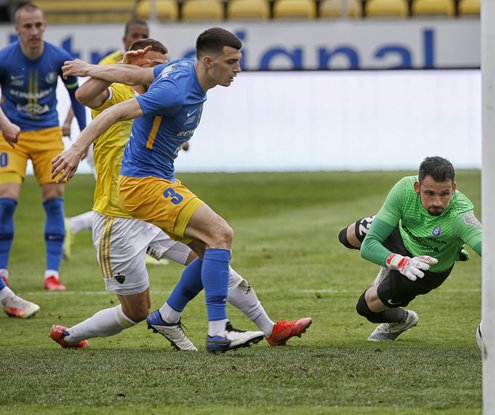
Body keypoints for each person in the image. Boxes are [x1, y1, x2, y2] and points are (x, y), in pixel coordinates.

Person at [52, 27, 305, 353]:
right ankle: (77, 334)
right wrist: (75, 147)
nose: (238, 69)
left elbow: (140, 72)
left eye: (163, 62)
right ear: (210, 61)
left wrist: (115, 69)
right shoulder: (159, 92)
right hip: (121, 209)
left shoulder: (176, 75)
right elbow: (96, 101)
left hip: (155, 191)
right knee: (138, 309)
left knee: (213, 251)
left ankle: (260, 327)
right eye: (232, 62)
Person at [338, 156, 495, 342]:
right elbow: (368, 246)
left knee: (366, 307)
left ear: (453, 189)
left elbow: (492, 251)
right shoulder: (404, 189)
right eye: (429, 193)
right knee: (348, 236)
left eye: (444, 193)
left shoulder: (460, 216)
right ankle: (391, 262)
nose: (437, 202)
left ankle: (402, 320)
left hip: (428, 268)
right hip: (403, 238)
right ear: (417, 187)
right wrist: (401, 261)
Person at [0, 2, 87, 291]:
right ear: (17, 29)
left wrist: (84, 135)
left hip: (49, 134)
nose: (34, 31)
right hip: (11, 135)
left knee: (53, 200)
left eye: (38, 25)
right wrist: (5, 125)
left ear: (45, 25)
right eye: (28, 26)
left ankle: (51, 274)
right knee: (6, 201)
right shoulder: (5, 59)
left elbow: (78, 96)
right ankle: (2, 271)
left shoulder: (59, 58)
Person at [63, 19, 150, 261]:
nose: (139, 37)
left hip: (130, 142)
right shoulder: (109, 64)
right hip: (103, 140)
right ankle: (73, 226)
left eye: (144, 34)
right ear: (124, 39)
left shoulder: (147, 66)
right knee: (115, 199)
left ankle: (144, 245)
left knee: (128, 195)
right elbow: (89, 94)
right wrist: (70, 122)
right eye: (135, 34)